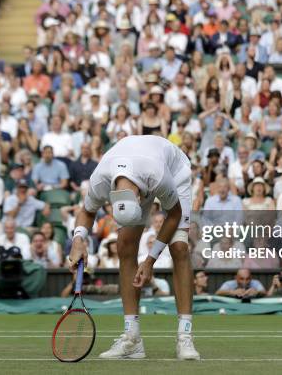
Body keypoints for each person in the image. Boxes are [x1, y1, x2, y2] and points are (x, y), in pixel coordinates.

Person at [68, 135, 200, 360]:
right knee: (125, 245)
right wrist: (78, 240)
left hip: (173, 171)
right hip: (137, 165)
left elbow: (174, 214)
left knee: (179, 247)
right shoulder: (100, 180)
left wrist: (150, 260)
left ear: (140, 199)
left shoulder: (157, 176)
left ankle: (185, 336)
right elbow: (87, 212)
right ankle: (132, 338)